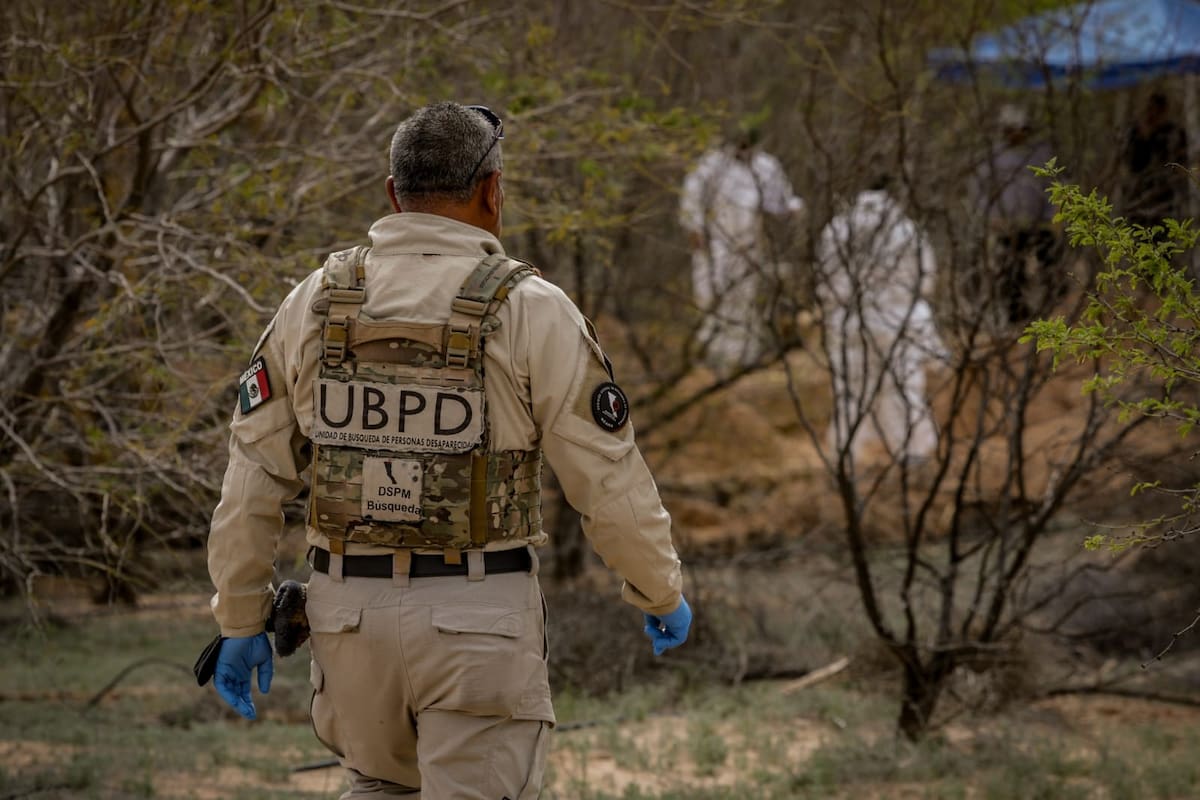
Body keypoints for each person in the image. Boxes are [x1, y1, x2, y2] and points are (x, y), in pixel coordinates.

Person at [202, 101, 690, 799]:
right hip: (479, 621)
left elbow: (252, 474)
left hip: (347, 622)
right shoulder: (531, 308)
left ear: (393, 195)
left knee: (373, 784)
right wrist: (659, 588)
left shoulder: (316, 301)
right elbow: (607, 477)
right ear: (493, 192)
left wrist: (240, 618)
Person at [815, 177, 945, 466]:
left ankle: (846, 455)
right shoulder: (907, 230)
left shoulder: (837, 228)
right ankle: (912, 452)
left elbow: (826, 284)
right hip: (899, 320)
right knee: (903, 385)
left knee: (851, 390)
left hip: (850, 321)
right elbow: (926, 279)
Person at [678, 126, 805, 375]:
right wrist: (694, 229)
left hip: (749, 246)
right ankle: (709, 355)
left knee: (743, 299)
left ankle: (740, 359)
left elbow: (780, 200)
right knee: (709, 296)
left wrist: (792, 209)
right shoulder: (711, 165)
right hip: (714, 244)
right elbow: (690, 198)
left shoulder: (766, 166)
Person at [969, 104, 1060, 325]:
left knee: (1050, 267)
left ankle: (1056, 313)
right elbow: (980, 189)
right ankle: (1017, 316)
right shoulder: (993, 156)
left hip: (1040, 224)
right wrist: (990, 217)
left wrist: (1053, 215)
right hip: (1007, 225)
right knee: (1011, 272)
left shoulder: (1041, 153)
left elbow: (1053, 184)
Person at [1121, 91, 1189, 229]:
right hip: (1138, 193)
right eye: (1149, 109)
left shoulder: (1172, 132)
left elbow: (1182, 162)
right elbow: (1128, 162)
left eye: (1156, 109)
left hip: (1164, 195)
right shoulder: (1135, 132)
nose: (1151, 113)